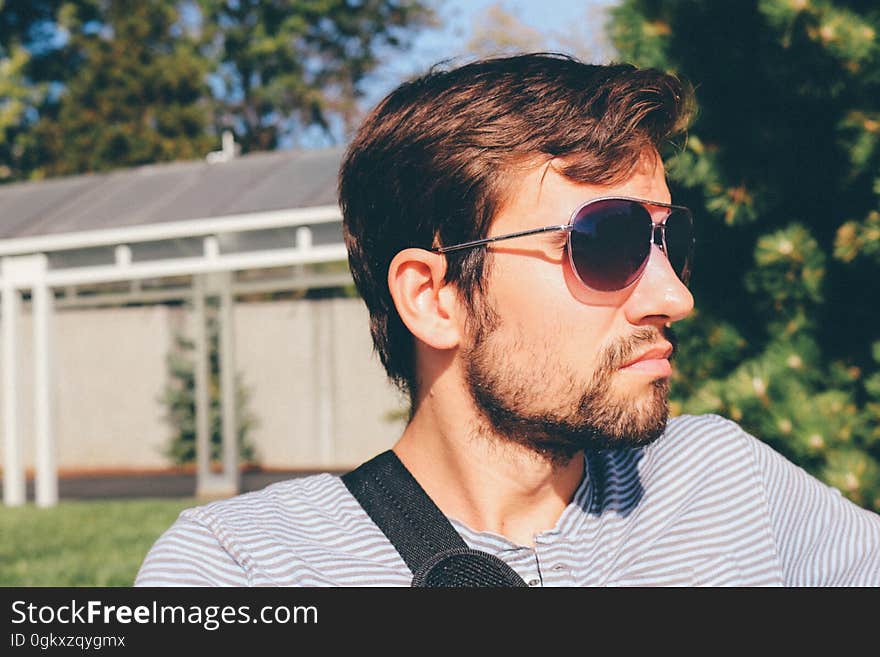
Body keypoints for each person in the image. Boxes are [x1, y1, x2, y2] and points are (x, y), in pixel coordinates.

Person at [136, 53, 880, 586]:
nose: (673, 296)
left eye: (669, 239)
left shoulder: (723, 478)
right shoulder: (244, 567)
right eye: (607, 242)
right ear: (433, 297)